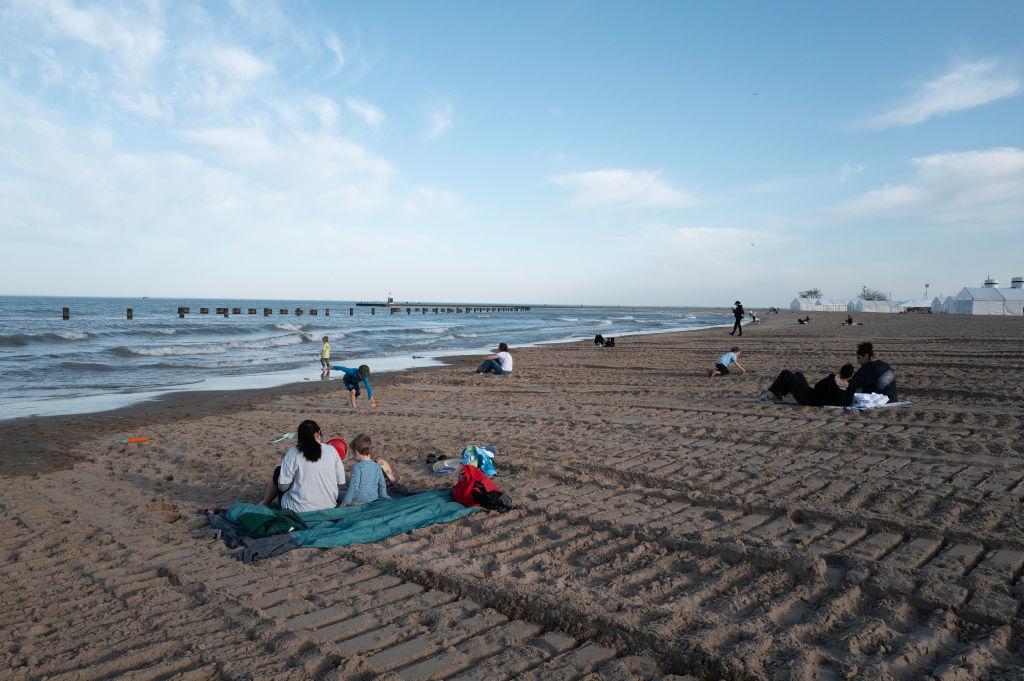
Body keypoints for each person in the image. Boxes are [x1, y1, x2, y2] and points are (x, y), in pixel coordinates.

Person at [260, 419, 345, 512]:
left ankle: (265, 502)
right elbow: (340, 482)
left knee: (278, 472)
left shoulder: (293, 452)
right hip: (329, 505)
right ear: (318, 434)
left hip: (298, 509)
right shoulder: (331, 450)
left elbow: (282, 487)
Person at [760, 364, 855, 406]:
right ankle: (779, 395)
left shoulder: (831, 379)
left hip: (809, 398)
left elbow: (818, 386)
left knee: (786, 373)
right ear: (850, 376)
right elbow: (847, 402)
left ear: (841, 371)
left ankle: (773, 395)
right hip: (814, 398)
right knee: (798, 374)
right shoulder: (849, 388)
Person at [340, 434, 390, 507]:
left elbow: (353, 486)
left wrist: (346, 501)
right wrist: (384, 496)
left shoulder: (356, 467)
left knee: (339, 494)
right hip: (373, 499)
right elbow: (382, 484)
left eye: (353, 453)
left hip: (357, 502)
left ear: (356, 453)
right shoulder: (377, 466)